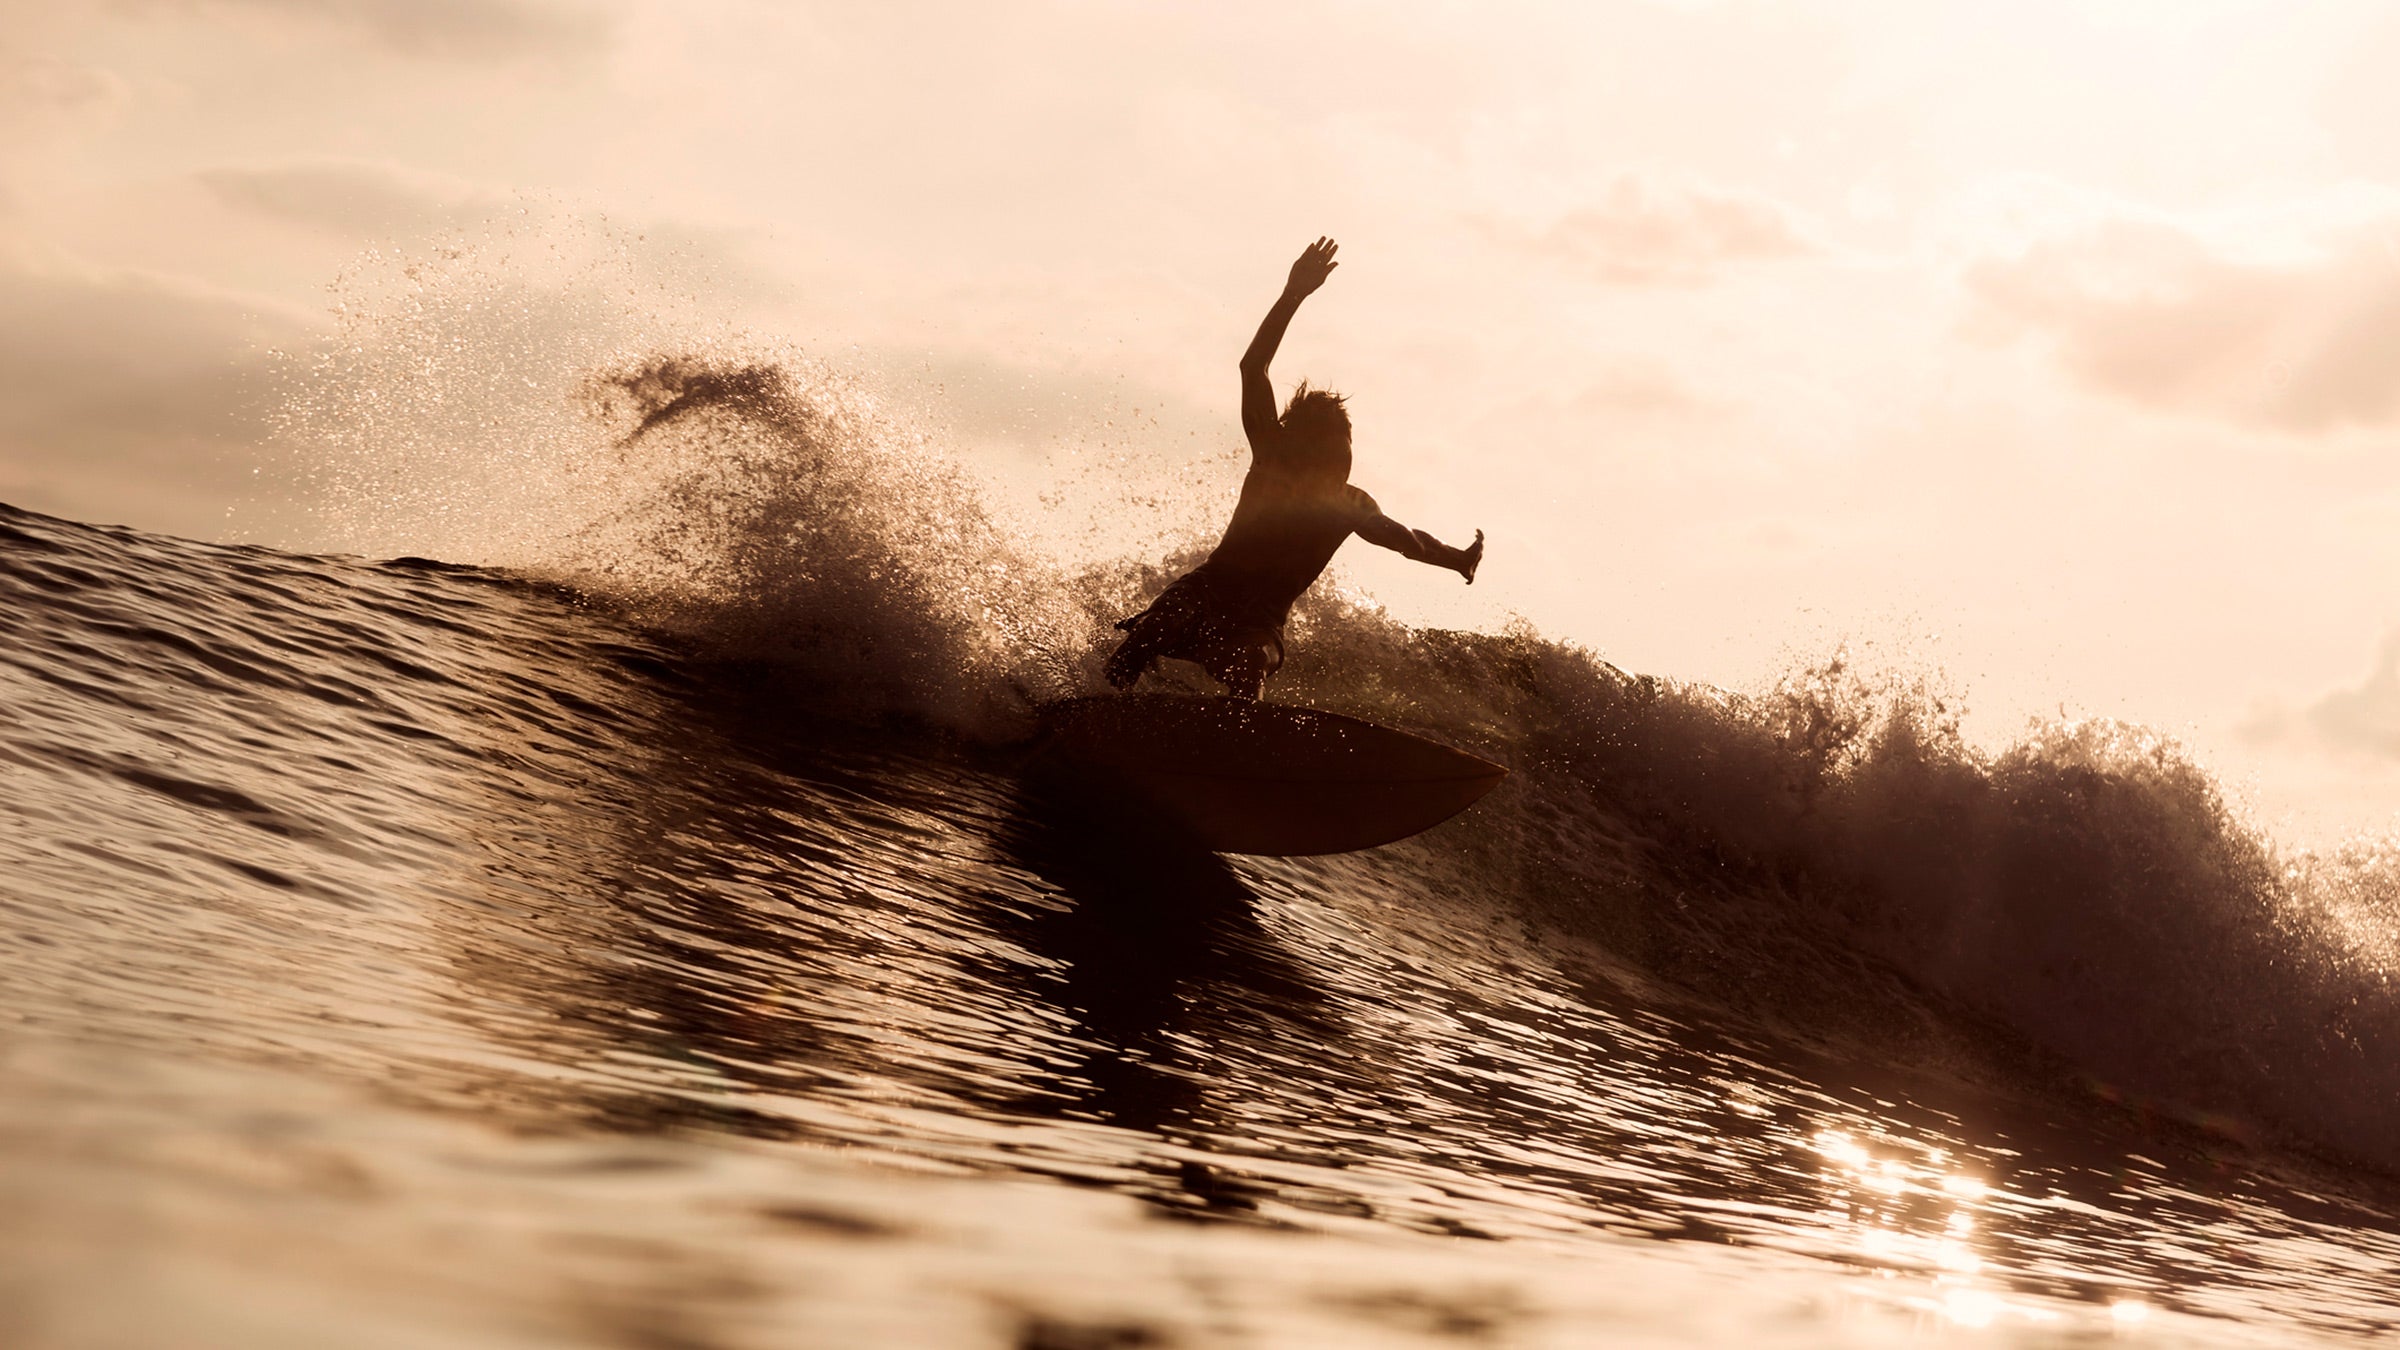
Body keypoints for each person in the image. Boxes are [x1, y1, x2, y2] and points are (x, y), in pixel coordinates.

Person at [1105, 237, 1484, 700]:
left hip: (1258, 626)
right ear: (1300, 449)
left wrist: (1456, 558)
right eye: (1330, 453)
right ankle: (1095, 708)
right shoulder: (1272, 457)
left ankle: (1240, 746)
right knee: (1154, 630)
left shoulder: (1350, 506)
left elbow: (1406, 541)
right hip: (1203, 594)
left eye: (1346, 451)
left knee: (1249, 664)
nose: (1342, 463)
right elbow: (1253, 367)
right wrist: (1293, 295)